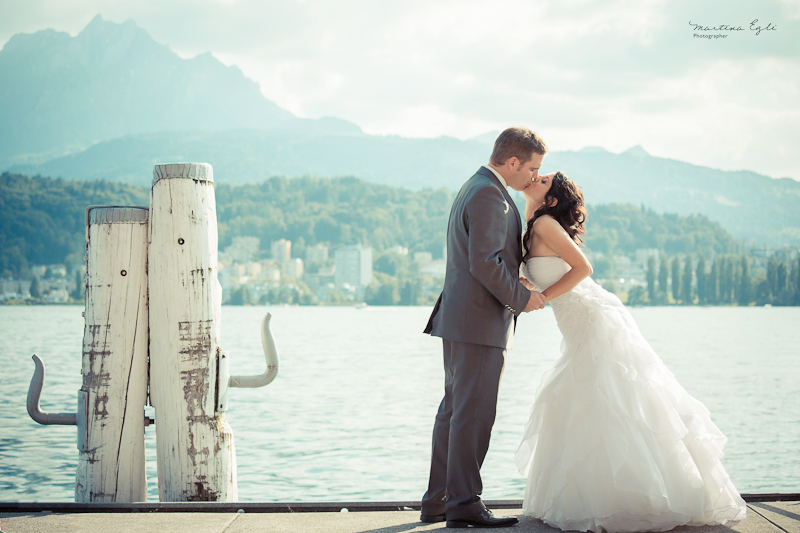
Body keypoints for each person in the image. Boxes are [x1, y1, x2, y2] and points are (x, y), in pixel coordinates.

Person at [515, 171, 747, 532]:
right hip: (576, 321)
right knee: (589, 396)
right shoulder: (533, 224)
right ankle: (603, 495)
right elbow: (553, 270)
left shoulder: (544, 223)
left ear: (552, 201)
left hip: (593, 317)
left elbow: (583, 269)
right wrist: (529, 283)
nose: (535, 178)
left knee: (610, 396)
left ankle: (635, 496)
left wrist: (542, 297)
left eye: (543, 180)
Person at [421, 127, 548, 528]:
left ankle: (439, 501)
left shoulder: (474, 187)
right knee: (472, 415)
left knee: (455, 412)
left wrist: (516, 281)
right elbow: (485, 263)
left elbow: (489, 260)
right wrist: (522, 298)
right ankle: (464, 505)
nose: (533, 177)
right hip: (478, 321)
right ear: (511, 162)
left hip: (462, 319)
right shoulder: (491, 195)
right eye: (532, 168)